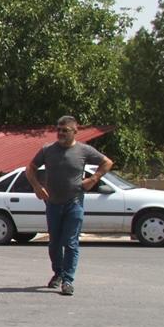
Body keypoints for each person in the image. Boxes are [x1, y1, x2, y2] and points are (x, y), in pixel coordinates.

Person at [25, 115, 114, 297]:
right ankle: (58, 273)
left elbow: (107, 162)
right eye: (58, 129)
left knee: (71, 243)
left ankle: (68, 280)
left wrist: (93, 179)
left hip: (74, 204)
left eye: (65, 130)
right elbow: (30, 168)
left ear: (74, 131)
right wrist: (37, 186)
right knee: (54, 243)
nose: (61, 133)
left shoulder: (84, 150)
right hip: (53, 204)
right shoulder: (48, 150)